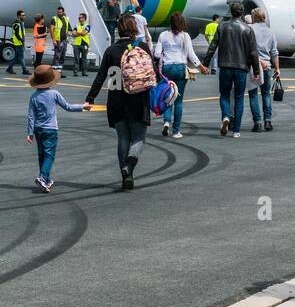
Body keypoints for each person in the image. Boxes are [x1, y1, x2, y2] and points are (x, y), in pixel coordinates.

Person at [84, 13, 158, 191]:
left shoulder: (111, 51)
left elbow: (101, 77)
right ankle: (130, 166)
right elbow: (153, 72)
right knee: (139, 137)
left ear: (119, 30)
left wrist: (90, 98)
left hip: (116, 98)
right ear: (134, 29)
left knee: (123, 137)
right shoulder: (142, 47)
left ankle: (126, 175)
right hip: (139, 98)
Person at [205, 1, 260, 138]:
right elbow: (253, 53)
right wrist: (257, 71)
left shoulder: (222, 27)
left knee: (224, 94)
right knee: (239, 97)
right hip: (241, 67)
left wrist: (205, 63)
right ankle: (236, 130)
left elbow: (213, 46)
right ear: (242, 12)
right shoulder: (248, 29)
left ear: (230, 11)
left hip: (225, 66)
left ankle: (225, 116)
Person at [26, 64, 83, 192]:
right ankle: (42, 177)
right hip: (50, 129)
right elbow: (68, 107)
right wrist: (83, 106)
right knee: (49, 155)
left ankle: (46, 179)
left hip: (38, 129)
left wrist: (29, 132)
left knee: (42, 155)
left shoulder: (34, 96)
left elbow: (31, 115)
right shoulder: (54, 93)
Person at [155, 12, 208, 138]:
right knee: (178, 101)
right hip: (180, 67)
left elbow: (157, 54)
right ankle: (176, 131)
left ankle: (166, 122)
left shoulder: (163, 35)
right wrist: (201, 67)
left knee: (168, 97)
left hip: (167, 68)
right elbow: (191, 55)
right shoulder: (185, 36)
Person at [247, 7, 281, 132]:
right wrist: (277, 68)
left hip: (253, 66)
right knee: (266, 93)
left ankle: (257, 122)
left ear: (253, 18)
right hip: (267, 65)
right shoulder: (270, 32)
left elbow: (248, 49)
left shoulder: (249, 30)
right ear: (264, 18)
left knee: (253, 94)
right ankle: (268, 121)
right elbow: (274, 52)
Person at [6, 10, 29, 76]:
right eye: (23, 15)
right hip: (18, 43)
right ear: (19, 16)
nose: (24, 16)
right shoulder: (16, 24)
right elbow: (17, 34)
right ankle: (24, 70)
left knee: (16, 57)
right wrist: (21, 40)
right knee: (21, 57)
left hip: (20, 42)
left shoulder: (21, 23)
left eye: (24, 15)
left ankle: (9, 68)